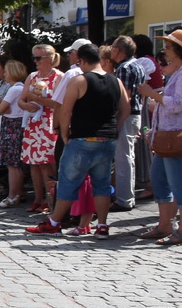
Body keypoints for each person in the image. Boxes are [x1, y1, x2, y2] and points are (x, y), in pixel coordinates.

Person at [25, 42, 128, 238]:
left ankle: (54, 222)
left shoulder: (80, 81)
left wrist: (64, 133)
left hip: (83, 138)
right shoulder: (116, 81)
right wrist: (115, 128)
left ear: (82, 60)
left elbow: (65, 109)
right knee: (102, 184)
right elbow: (126, 109)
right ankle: (103, 226)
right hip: (106, 139)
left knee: (68, 182)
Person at [135, 29, 182, 244]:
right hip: (168, 134)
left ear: (178, 50)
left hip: (179, 134)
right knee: (160, 179)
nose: (164, 50)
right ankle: (165, 225)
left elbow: (176, 105)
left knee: (180, 182)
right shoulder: (181, 71)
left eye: (168, 46)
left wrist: (152, 93)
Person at [17, 44, 62, 212]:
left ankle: (49, 199)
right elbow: (21, 100)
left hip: (48, 123)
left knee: (46, 164)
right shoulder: (32, 76)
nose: (35, 61)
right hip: (33, 124)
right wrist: (27, 106)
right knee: (33, 164)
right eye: (34, 58)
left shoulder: (58, 77)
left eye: (38, 58)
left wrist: (36, 99)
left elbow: (58, 103)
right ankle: (37, 198)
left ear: (49, 59)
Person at [109, 36, 151, 212]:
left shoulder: (124, 68)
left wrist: (117, 120)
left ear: (119, 50)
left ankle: (124, 198)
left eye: (112, 47)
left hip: (126, 115)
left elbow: (123, 97)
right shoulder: (137, 65)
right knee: (127, 157)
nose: (110, 50)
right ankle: (126, 196)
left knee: (123, 158)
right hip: (134, 114)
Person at [0, 60, 30, 207]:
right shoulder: (20, 88)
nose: (4, 74)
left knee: (13, 165)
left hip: (11, 128)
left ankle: (13, 195)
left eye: (7, 71)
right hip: (15, 125)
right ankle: (18, 193)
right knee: (15, 164)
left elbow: (0, 110)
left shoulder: (14, 89)